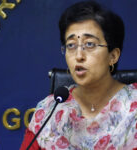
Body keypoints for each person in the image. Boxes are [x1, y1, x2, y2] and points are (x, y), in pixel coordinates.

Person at [20, 1, 137, 150]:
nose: (79, 55)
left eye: (89, 44)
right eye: (71, 45)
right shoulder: (49, 111)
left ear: (113, 56)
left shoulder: (134, 108)